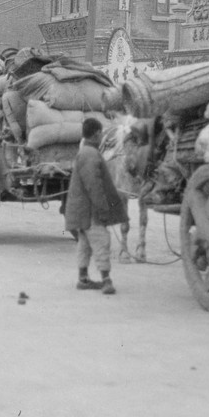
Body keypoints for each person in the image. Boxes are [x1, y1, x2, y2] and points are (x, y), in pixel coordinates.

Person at [63, 117, 128, 295]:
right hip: (90, 211)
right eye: (102, 134)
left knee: (84, 243)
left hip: (81, 211)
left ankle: (83, 278)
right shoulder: (91, 155)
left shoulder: (85, 153)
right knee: (101, 241)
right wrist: (103, 209)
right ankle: (106, 280)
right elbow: (94, 186)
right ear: (98, 134)